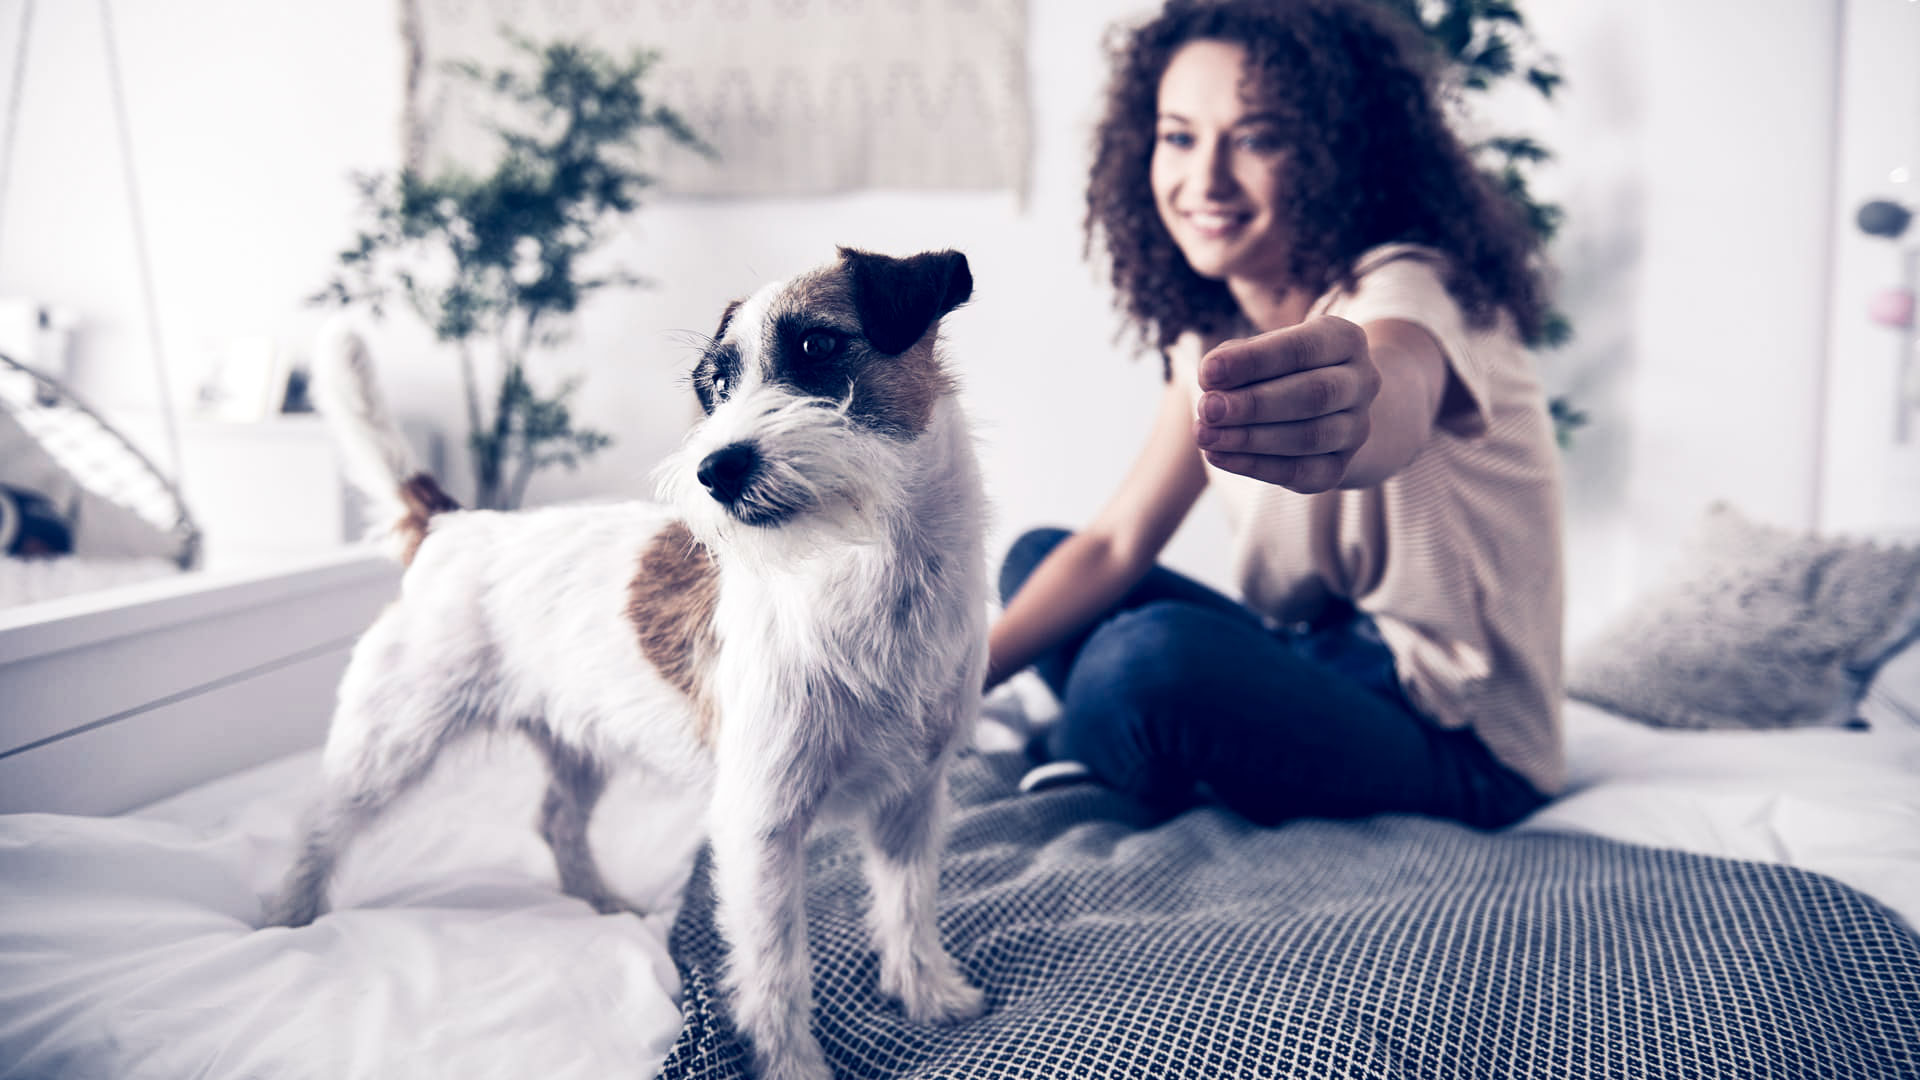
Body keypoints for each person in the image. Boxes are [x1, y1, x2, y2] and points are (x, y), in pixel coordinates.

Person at [987, 0, 1564, 830]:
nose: (1206, 180)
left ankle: (1098, 750)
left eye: (1258, 137)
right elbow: (1117, 542)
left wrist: (1356, 408)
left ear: (1335, 152)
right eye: (1179, 136)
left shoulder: (1409, 287)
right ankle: (1137, 740)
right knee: (1038, 561)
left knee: (1148, 658)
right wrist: (949, 687)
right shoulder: (1208, 337)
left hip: (1465, 741)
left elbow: (1393, 378)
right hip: (1320, 660)